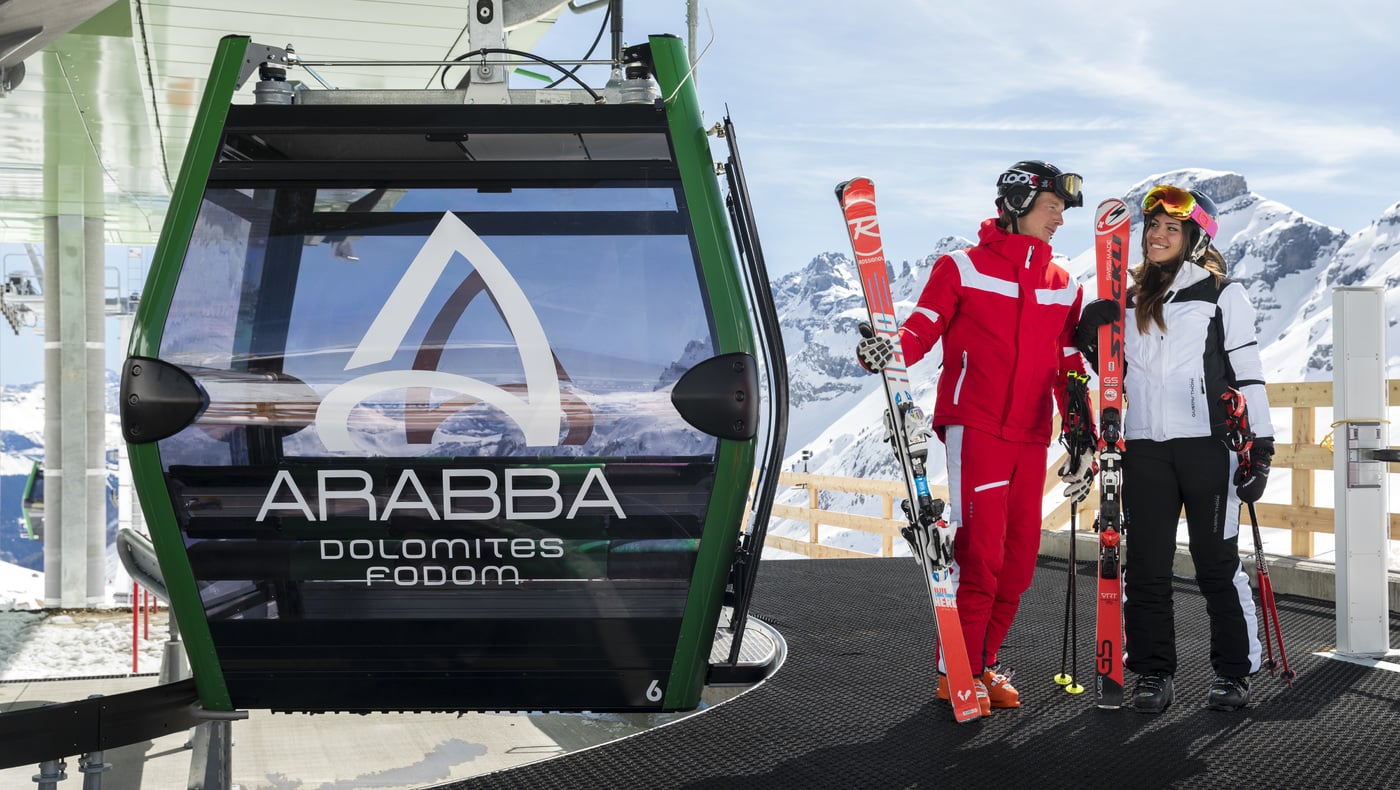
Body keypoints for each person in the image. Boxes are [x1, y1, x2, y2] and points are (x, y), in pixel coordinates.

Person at [857, 160, 1096, 716]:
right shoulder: (961, 267)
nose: (1059, 218)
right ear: (1016, 203)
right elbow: (921, 329)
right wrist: (886, 353)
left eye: (1063, 210)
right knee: (981, 553)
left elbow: (1066, 364)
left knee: (1019, 559)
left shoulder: (1064, 286)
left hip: (1032, 433)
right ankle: (954, 671)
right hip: (978, 425)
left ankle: (982, 664)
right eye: (1051, 206)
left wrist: (1080, 430)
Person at [1075, 184, 1275, 714]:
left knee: (1215, 567)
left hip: (1208, 449)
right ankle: (1152, 674)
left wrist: (1262, 452)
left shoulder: (1221, 294)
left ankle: (1234, 674)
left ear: (1192, 238)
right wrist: (1091, 337)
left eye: (1172, 228)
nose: (1158, 236)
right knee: (1147, 569)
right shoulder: (1129, 297)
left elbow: (1249, 377)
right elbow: (1117, 377)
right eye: (1153, 227)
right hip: (1145, 451)